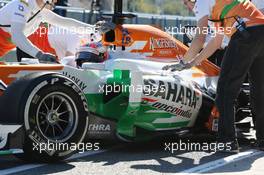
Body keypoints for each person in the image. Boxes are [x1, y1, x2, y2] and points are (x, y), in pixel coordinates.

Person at [165, 0, 264, 152]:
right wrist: (192, 63)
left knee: (224, 91)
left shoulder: (202, 3)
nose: (187, 6)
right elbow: (216, 42)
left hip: (245, 35)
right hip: (260, 31)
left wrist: (183, 61)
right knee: (259, 90)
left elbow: (199, 39)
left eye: (186, 2)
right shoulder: (218, 6)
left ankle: (227, 141)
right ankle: (263, 139)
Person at [0, 0, 114, 62]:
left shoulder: (40, 11)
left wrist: (94, 28)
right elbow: (17, 36)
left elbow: (66, 23)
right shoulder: (22, 5)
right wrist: (40, 54)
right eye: (53, 2)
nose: (54, 5)